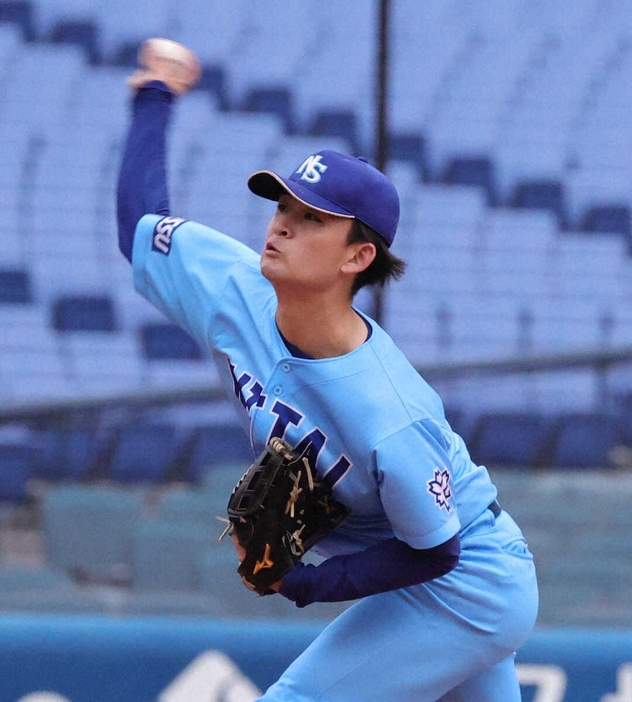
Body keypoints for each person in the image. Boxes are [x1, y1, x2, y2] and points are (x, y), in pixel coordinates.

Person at [116, 43, 538, 702]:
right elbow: (137, 229)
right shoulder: (237, 291)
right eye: (282, 206)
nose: (281, 226)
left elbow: (437, 552)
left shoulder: (386, 407)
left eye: (311, 218)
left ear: (358, 255)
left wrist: (305, 583)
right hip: (448, 576)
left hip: (468, 587)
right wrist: (154, 96)